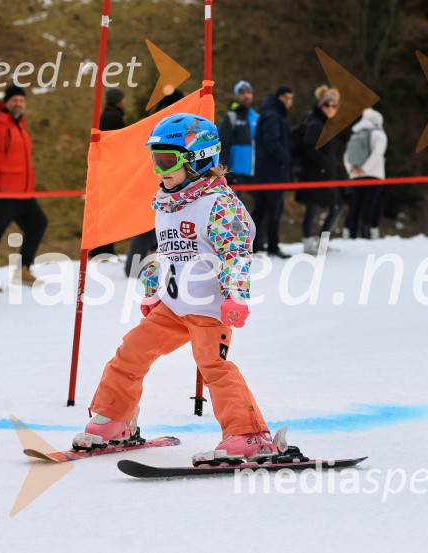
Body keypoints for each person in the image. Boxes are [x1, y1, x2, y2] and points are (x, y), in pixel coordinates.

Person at [73, 113, 279, 463]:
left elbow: (236, 254)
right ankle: (115, 419)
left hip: (209, 309)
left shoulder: (219, 206)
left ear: (199, 160)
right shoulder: (167, 204)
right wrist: (153, 290)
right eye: (156, 159)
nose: (159, 169)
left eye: (168, 160)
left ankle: (249, 434)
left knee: (213, 365)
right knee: (130, 354)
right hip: (173, 307)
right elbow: (164, 254)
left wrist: (237, 296)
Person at [0, 84, 47, 289]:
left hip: (22, 192)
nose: (18, 103)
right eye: (14, 99)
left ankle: (23, 270)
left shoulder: (19, 125)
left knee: (38, 223)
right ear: (6, 101)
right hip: (0, 192)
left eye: (21, 100)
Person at [123, 89, 185, 278]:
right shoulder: (172, 122)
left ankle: (135, 265)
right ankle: (139, 266)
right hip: (163, 178)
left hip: (151, 177)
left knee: (148, 223)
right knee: (155, 223)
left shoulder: (155, 120)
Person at [295, 86, 341, 254]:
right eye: (327, 105)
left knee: (335, 206)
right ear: (321, 106)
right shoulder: (315, 123)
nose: (331, 108)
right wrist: (324, 162)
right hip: (314, 173)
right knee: (313, 207)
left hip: (324, 173)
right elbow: (308, 147)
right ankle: (308, 243)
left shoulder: (325, 123)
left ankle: (323, 242)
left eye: (334, 105)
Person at [253, 85, 294, 258]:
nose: (288, 101)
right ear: (278, 98)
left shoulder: (269, 113)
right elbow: (272, 143)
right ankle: (272, 246)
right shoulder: (273, 115)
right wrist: (288, 159)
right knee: (273, 209)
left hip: (265, 170)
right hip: (272, 171)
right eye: (285, 97)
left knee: (261, 209)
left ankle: (253, 245)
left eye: (290, 98)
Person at [90, 87, 127, 259]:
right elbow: (120, 144)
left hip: (104, 170)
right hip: (111, 170)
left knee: (103, 210)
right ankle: (105, 251)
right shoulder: (114, 118)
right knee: (110, 211)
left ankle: (98, 250)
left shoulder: (105, 116)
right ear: (118, 100)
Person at [344, 107, 388, 240]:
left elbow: (347, 155)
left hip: (355, 176)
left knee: (355, 204)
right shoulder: (379, 134)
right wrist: (366, 169)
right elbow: (378, 154)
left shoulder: (355, 134)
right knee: (371, 204)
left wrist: (352, 170)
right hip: (374, 175)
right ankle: (367, 233)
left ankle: (349, 233)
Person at [219, 80, 258, 185]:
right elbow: (223, 145)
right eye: (242, 93)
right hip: (236, 172)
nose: (246, 95)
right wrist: (226, 171)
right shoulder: (231, 117)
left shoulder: (255, 117)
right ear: (237, 96)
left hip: (255, 171)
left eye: (248, 92)